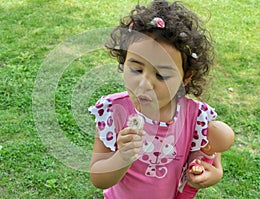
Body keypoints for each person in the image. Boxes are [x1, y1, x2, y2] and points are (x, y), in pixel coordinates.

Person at [88, 1, 234, 198]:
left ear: (186, 77)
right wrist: (122, 157)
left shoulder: (194, 117)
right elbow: (98, 178)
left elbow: (210, 160)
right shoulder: (113, 111)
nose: (145, 83)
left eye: (161, 75)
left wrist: (212, 174)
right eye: (137, 69)